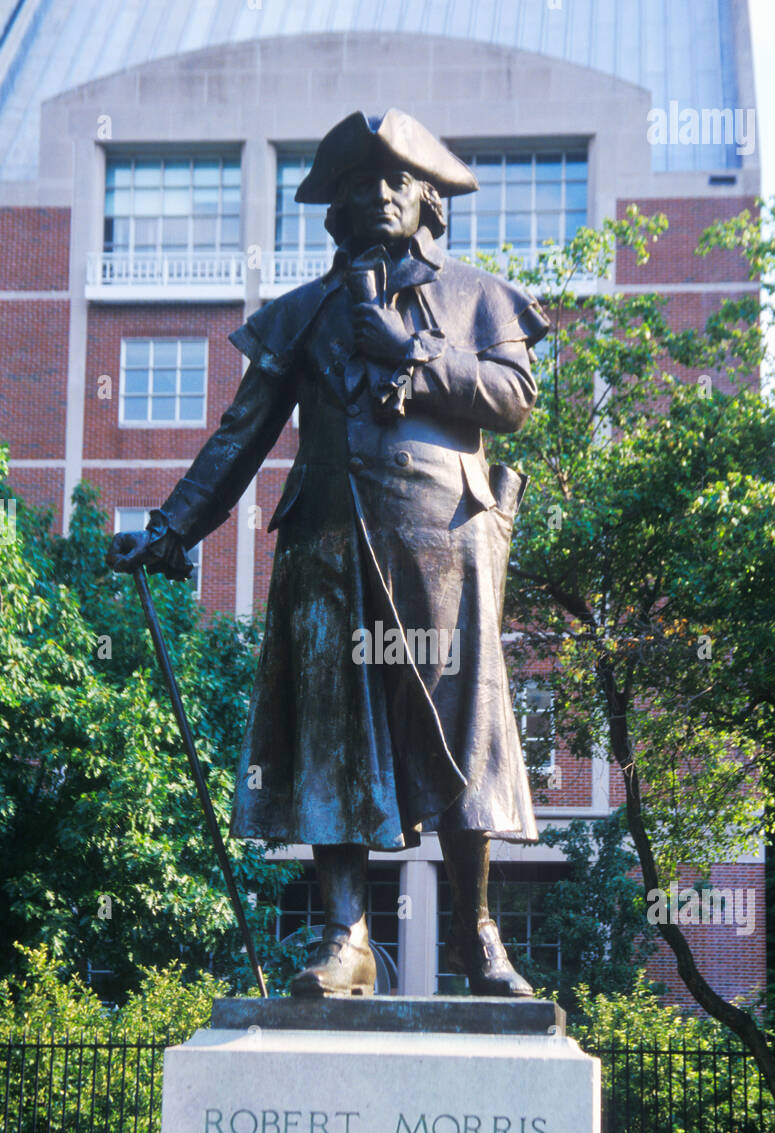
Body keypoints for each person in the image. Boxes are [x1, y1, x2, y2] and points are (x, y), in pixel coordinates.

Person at [108, 109, 549, 1000]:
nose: (378, 195)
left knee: (459, 727)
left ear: (430, 200)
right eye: (358, 184)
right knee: (331, 732)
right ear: (334, 209)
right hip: (328, 539)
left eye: (396, 181)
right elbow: (240, 437)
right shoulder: (302, 315)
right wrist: (172, 529)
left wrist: (413, 353)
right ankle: (345, 935)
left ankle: (473, 932)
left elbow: (512, 397)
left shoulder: (477, 297)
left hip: (447, 539)